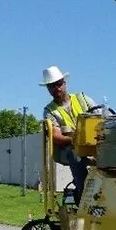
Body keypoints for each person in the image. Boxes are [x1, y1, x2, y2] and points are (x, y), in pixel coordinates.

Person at [41, 65, 98, 204]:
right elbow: (56, 137)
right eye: (52, 86)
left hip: (92, 145)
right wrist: (76, 140)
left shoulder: (83, 99)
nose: (56, 88)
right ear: (48, 89)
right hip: (65, 150)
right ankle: (84, 195)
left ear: (64, 83)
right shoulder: (50, 111)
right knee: (75, 154)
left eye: (58, 84)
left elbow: (101, 119)